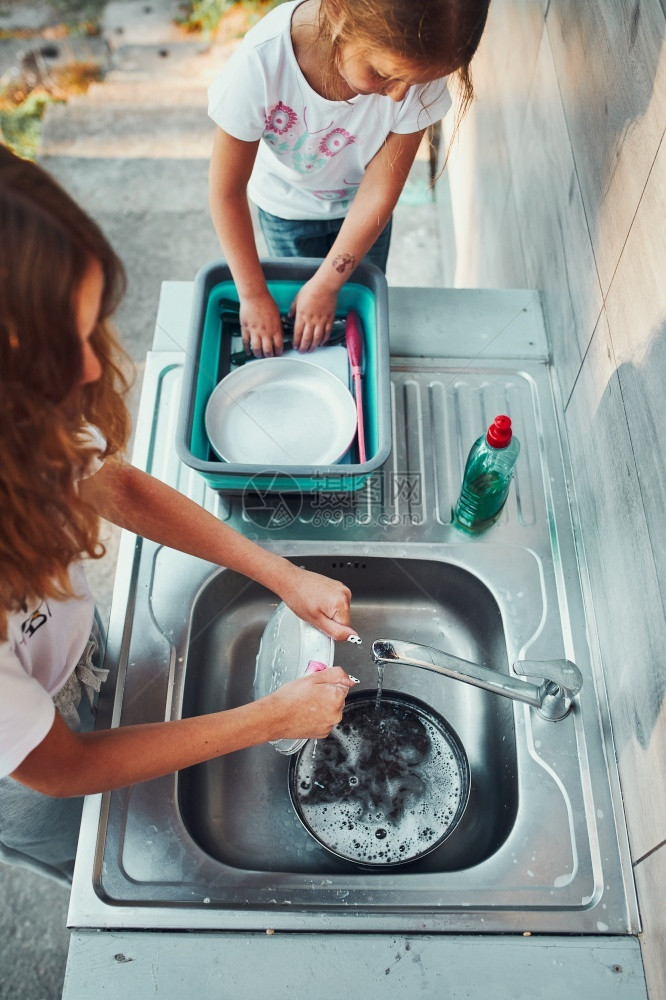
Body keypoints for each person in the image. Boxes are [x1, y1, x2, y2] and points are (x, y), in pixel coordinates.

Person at [0, 144, 358, 885]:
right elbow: (62, 769)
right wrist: (270, 719)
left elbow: (115, 487)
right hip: (25, 778)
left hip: (67, 650)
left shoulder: (25, 422)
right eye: (62, 350)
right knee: (86, 846)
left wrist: (280, 574)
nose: (95, 371)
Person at [208, 0, 490, 358]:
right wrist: (252, 294)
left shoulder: (416, 68)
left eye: (415, 82)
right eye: (383, 73)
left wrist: (328, 284)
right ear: (340, 14)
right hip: (286, 211)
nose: (400, 94)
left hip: (363, 214)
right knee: (299, 308)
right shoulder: (260, 64)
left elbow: (380, 190)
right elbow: (225, 192)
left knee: (347, 300)